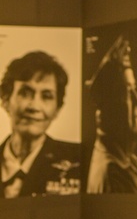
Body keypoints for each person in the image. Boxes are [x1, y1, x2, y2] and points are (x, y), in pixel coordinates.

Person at [1, 51, 80, 198]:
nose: (35, 106)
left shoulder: (79, 161)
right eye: (25, 92)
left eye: (47, 96)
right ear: (5, 100)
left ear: (57, 109)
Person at [86, 35, 137, 194]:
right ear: (108, 107)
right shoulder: (113, 175)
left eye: (134, 89)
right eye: (127, 92)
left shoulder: (126, 161)